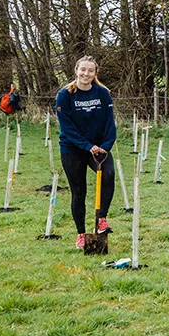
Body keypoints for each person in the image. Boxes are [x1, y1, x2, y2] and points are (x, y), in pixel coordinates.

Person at [55, 56, 117, 249]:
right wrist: (86, 145)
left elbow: (110, 123)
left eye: (90, 71)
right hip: (72, 148)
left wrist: (105, 146)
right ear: (76, 70)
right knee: (79, 191)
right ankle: (81, 234)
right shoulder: (65, 95)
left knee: (109, 173)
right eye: (83, 70)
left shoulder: (103, 93)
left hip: (98, 147)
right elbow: (67, 127)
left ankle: (102, 219)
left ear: (95, 73)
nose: (86, 74)